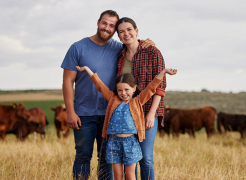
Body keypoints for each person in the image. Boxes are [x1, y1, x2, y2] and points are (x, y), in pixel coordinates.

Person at [61, 10, 155, 180]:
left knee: (106, 159)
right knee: (83, 156)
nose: (107, 28)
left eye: (112, 26)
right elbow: (68, 82)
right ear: (98, 22)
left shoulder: (119, 48)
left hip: (111, 114)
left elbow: (134, 44)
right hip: (83, 113)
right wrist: (70, 111)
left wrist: (148, 43)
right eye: (104, 23)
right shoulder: (77, 47)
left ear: (115, 31)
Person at [76, 65, 177, 180]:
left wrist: (163, 72)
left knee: (130, 175)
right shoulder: (113, 100)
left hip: (130, 144)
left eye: (126, 89)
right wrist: (87, 70)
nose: (123, 93)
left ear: (134, 88)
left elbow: (151, 88)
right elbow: (100, 86)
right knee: (118, 176)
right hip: (114, 143)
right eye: (120, 90)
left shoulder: (138, 101)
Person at [115, 17, 166, 180]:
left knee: (145, 157)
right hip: (127, 113)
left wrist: (152, 114)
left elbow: (160, 86)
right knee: (130, 158)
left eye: (129, 29)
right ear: (118, 35)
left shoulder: (152, 52)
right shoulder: (120, 56)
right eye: (121, 31)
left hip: (147, 111)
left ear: (136, 31)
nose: (126, 33)